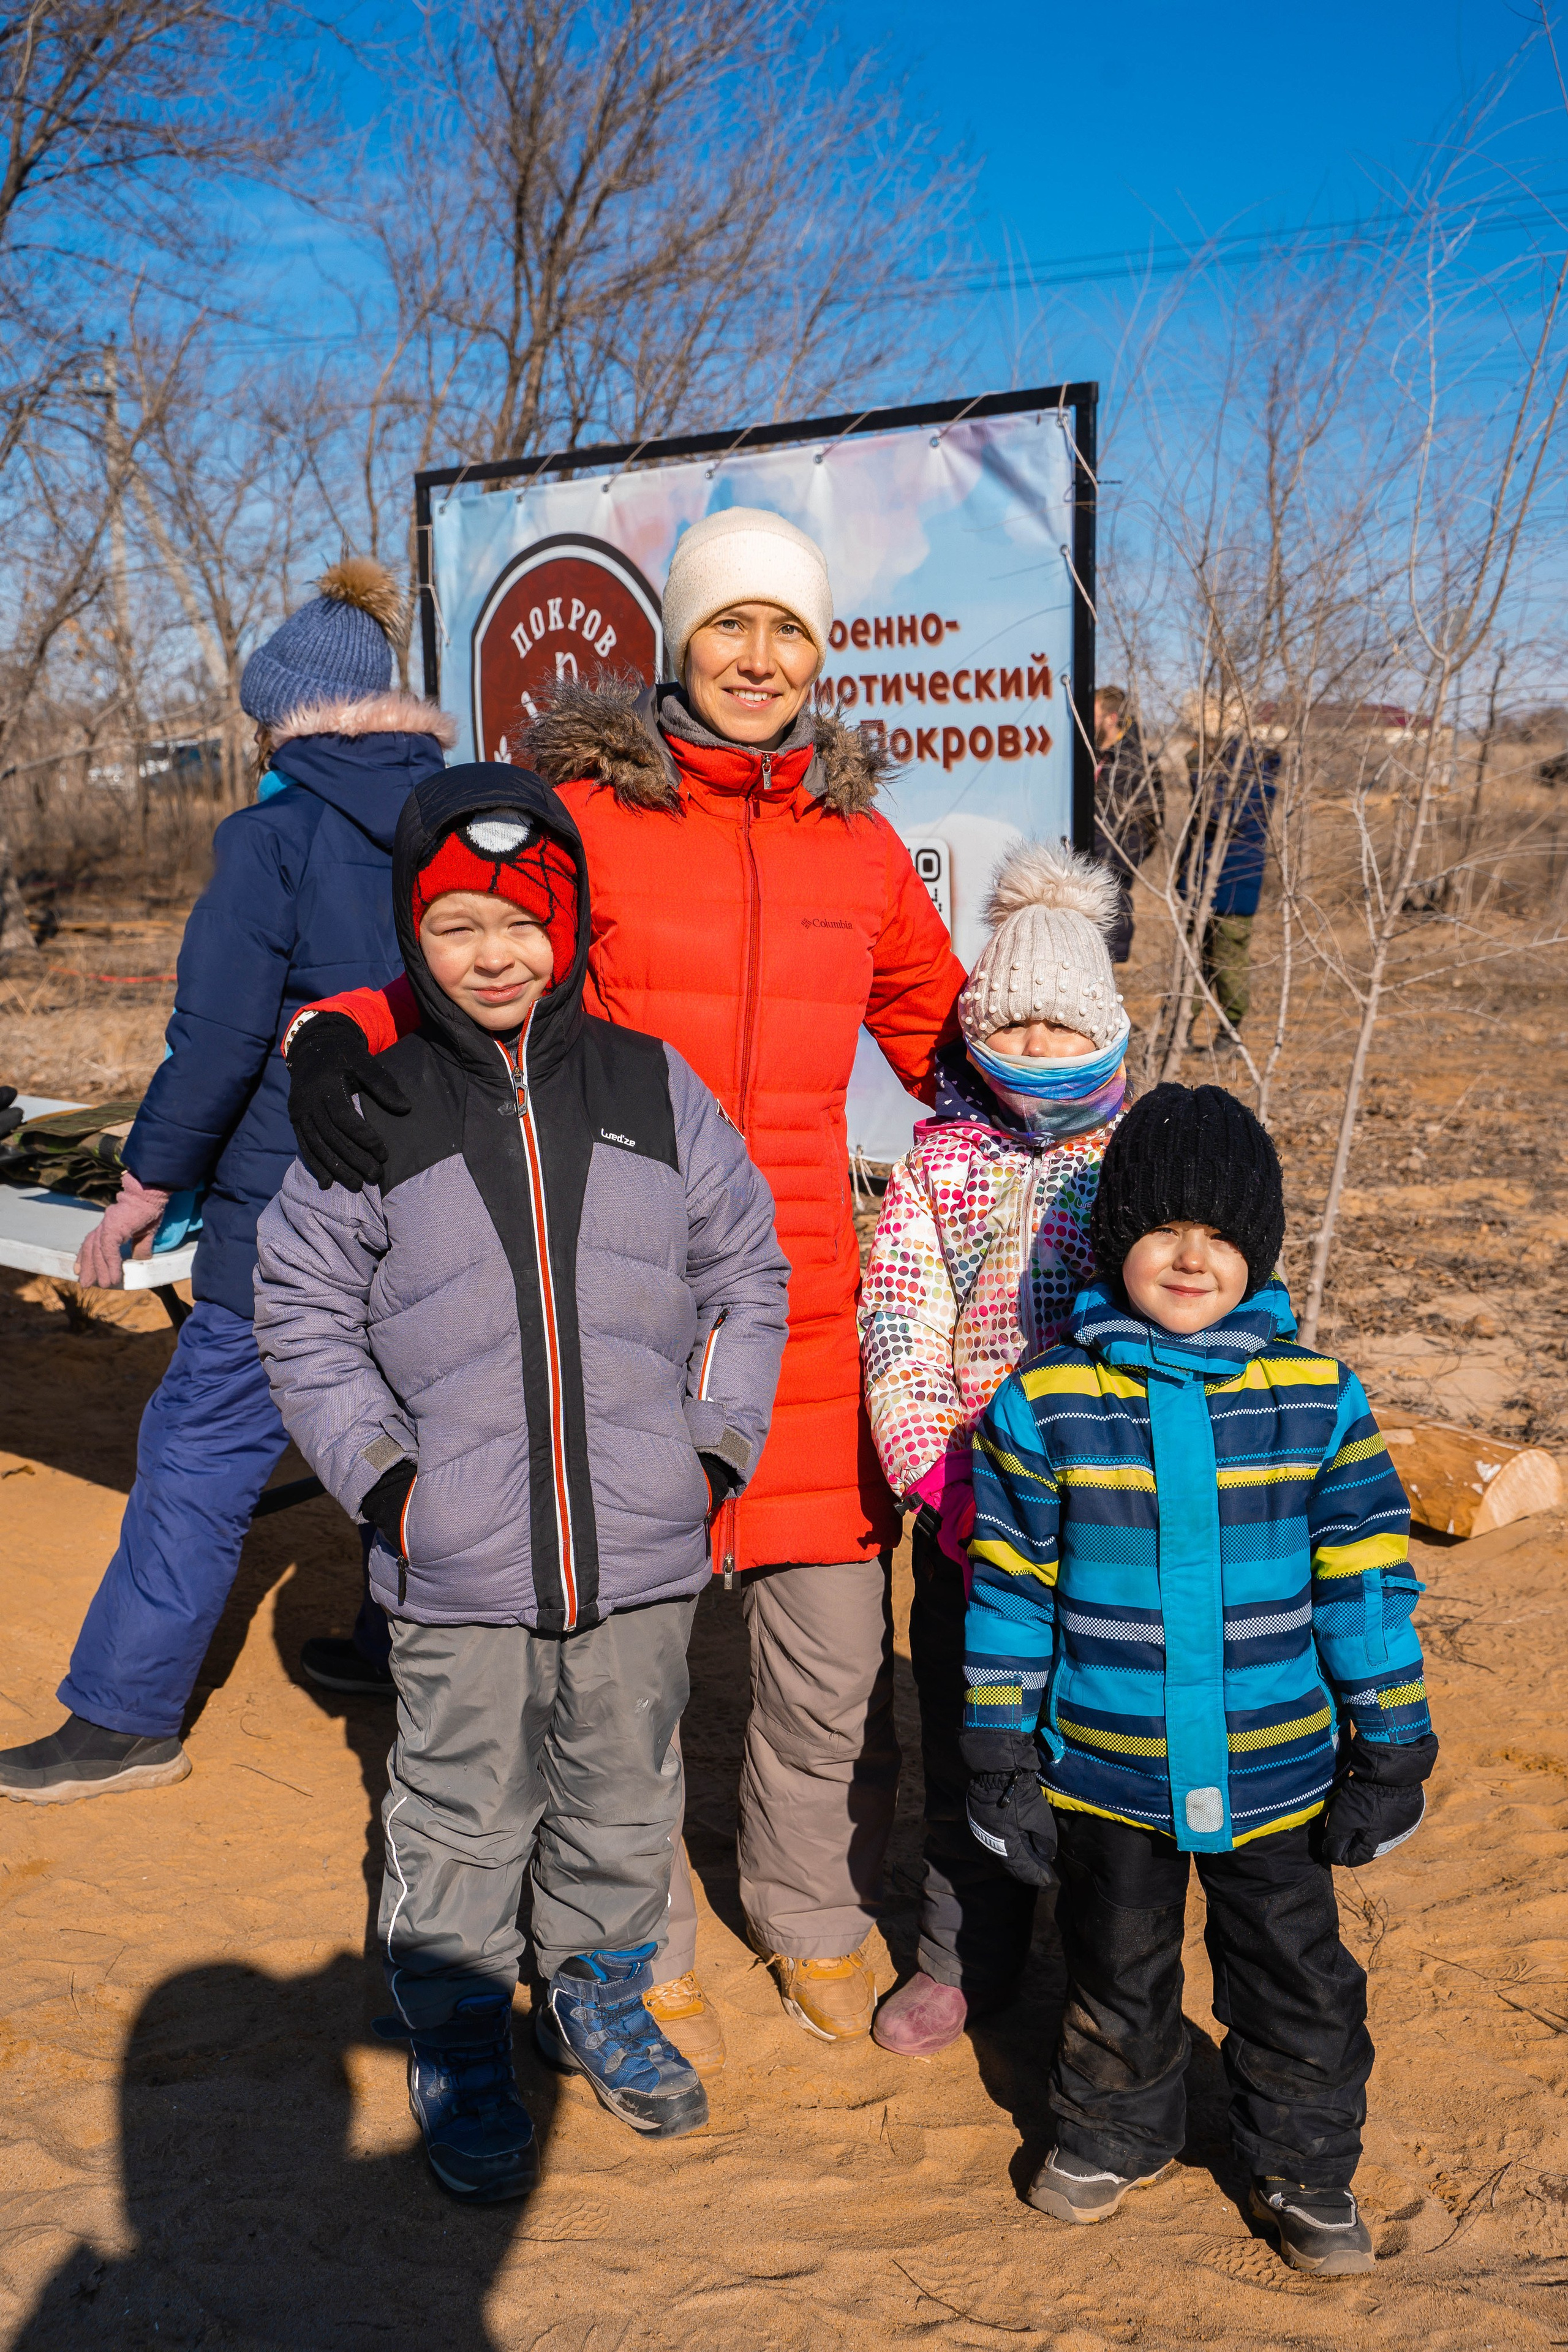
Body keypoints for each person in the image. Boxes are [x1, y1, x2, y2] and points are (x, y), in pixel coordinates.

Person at [277, 508, 967, 2064]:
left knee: (826, 1648)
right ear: (678, 638)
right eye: (731, 624)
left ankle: (801, 1903)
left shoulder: (855, 850)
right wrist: (335, 1027)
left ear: (816, 655)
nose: (758, 657)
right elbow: (466, 953)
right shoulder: (582, 811)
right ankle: (631, 1918)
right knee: (623, 1653)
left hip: (790, 1297)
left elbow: (946, 1038)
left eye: (788, 631)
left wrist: (1088, 1112)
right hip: (600, 1298)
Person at [252, 761, 789, 2197]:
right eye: (456, 926)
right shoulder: (375, 1100)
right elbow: (299, 1310)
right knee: (457, 1806)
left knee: (622, 1792)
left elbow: (747, 1267)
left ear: (567, 921)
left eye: (523, 919)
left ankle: (596, 1988)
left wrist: (714, 1443)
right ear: (411, 938)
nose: (496, 954)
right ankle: (458, 2031)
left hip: (643, 1550)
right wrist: (386, 1488)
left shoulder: (646, 1085)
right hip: (458, 1559)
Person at [0, 562, 456, 1807]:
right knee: (405, 1429)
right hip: (441, 1206)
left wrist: (147, 1184)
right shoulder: (460, 826)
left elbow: (212, 1043)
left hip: (289, 1211)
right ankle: (396, 1654)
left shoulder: (273, 839)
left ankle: (124, 1715)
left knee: (198, 1450)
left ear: (288, 725)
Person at [961, 1084, 1436, 2274]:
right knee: (1113, 1962)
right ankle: (1114, 2129)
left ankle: (1304, 2165)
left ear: (1256, 1249)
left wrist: (1391, 1741)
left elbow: (1366, 1583)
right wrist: (995, 1749)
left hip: (1277, 1770)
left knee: (1289, 1976)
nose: (1190, 1256)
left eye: (1219, 1233)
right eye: (1163, 1227)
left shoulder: (1316, 1401)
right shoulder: (1046, 1403)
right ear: (1117, 1238)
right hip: (1108, 1768)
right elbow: (1009, 1588)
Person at [858, 842, 1129, 2056]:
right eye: (1007, 1022)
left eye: (1058, 1026)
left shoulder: (1135, 1163)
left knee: (1101, 1736)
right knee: (972, 1730)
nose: (1032, 1047)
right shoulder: (937, 1163)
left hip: (1108, 1520)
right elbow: (898, 1319)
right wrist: (936, 1473)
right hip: (970, 1525)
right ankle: (960, 1953)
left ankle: (1107, 1954)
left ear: (1107, 1030)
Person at [1178, 732, 1280, 1048]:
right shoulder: (1227, 769)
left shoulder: (1255, 773)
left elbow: (1222, 814)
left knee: (1228, 960)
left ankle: (1230, 1033)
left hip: (1235, 887)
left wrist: (1197, 767)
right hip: (1203, 883)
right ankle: (1182, 1028)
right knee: (1193, 960)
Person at [1092, 687, 1159, 966]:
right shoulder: (1089, 755)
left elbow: (1150, 828)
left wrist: (1116, 867)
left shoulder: (1138, 765)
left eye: (1092, 713)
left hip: (1109, 884)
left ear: (1110, 718)